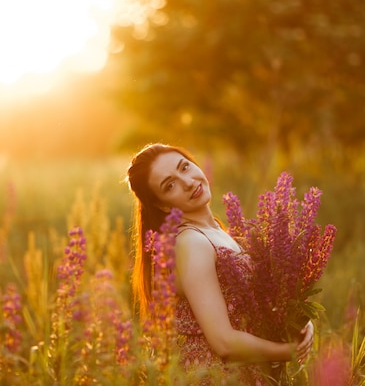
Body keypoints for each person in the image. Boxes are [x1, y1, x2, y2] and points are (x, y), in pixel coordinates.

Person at [126, 143, 314, 385]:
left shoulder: (217, 231)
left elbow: (262, 304)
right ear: (162, 205)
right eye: (170, 185)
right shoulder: (191, 242)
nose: (187, 182)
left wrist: (299, 323)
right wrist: (287, 351)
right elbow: (222, 341)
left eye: (184, 167)